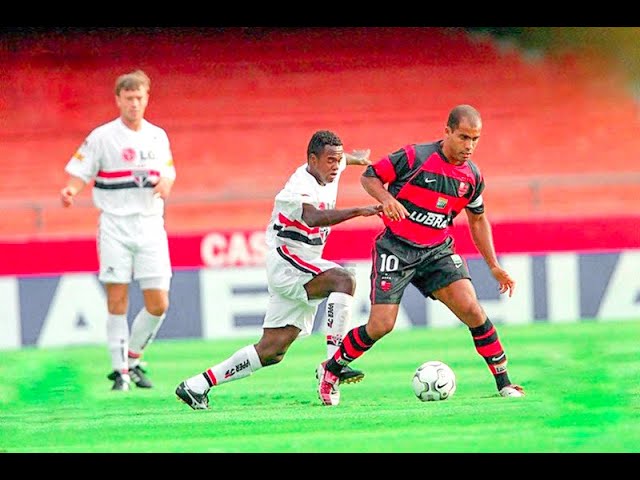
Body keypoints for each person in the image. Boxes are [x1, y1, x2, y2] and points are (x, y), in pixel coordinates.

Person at [317, 104, 525, 406]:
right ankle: (331, 370)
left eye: (475, 139)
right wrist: (387, 199)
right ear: (448, 132)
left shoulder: (472, 177)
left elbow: (478, 219)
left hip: (437, 252)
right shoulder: (416, 157)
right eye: (463, 137)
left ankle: (504, 382)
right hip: (396, 249)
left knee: (473, 311)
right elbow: (371, 176)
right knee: (381, 326)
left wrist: (494, 266)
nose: (469, 146)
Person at [175, 130, 383, 410]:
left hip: (303, 261)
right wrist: (358, 211)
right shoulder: (298, 186)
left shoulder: (331, 167)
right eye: (330, 161)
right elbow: (312, 217)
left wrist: (357, 159)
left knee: (272, 350)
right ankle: (334, 365)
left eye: (337, 161)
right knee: (344, 280)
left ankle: (197, 385)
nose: (336, 166)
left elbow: (343, 159)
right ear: (312, 159)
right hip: (288, 260)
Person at [60, 69, 176, 391]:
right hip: (115, 224)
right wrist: (71, 190)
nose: (134, 104)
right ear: (118, 100)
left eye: (139, 98)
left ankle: (134, 357)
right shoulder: (102, 137)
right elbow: (80, 171)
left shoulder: (157, 136)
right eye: (129, 98)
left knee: (159, 303)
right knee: (117, 297)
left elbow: (167, 173)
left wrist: (165, 184)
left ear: (146, 98)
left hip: (151, 224)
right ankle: (120, 370)